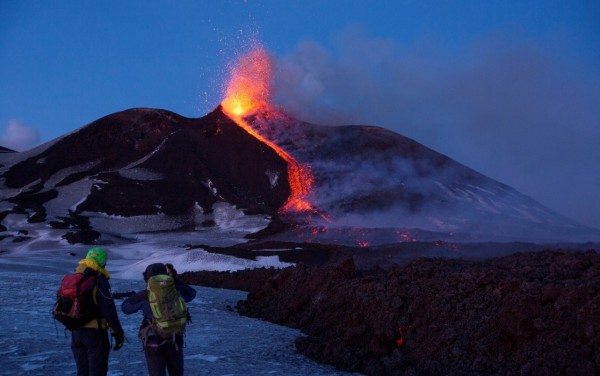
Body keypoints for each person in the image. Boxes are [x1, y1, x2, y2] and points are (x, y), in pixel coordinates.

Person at [122, 263, 196, 376]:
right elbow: (192, 293)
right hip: (174, 338)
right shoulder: (176, 291)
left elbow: (125, 308)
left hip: (153, 341)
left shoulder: (144, 295)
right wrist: (174, 281)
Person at [70, 247, 125, 376]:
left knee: (82, 372)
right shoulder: (99, 280)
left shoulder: (75, 277)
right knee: (97, 371)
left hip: (76, 332)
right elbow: (108, 309)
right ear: (102, 261)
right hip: (95, 333)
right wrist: (117, 332)